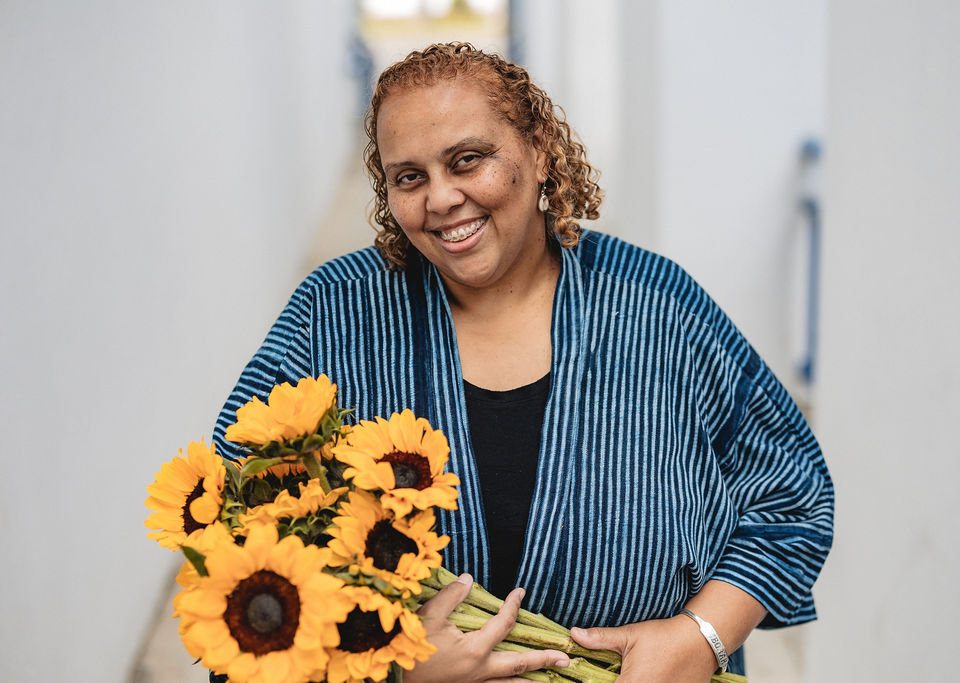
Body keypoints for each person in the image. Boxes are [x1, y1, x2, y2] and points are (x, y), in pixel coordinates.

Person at [212, 42, 834, 683]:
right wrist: (396, 674)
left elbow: (791, 492)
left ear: (540, 151)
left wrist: (701, 637)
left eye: (467, 160)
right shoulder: (334, 314)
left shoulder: (656, 307)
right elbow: (237, 522)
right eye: (410, 177)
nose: (441, 199)